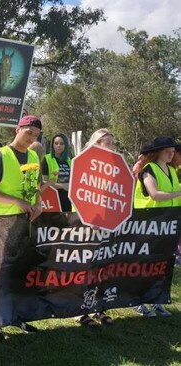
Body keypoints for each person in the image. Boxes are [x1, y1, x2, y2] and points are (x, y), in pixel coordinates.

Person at [0, 115, 43, 341]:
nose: (31, 138)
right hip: (2, 224)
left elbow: (36, 186)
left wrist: (37, 203)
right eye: (28, 133)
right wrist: (17, 202)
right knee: (0, 274)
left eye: (35, 136)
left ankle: (17, 316)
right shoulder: (1, 156)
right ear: (17, 129)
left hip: (25, 225)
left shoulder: (34, 156)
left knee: (20, 272)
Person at [131, 136, 181, 317]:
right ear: (158, 151)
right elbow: (154, 194)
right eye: (168, 150)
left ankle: (157, 301)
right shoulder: (148, 169)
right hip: (148, 224)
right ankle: (137, 301)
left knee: (162, 265)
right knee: (145, 265)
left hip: (168, 225)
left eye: (173, 151)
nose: (171, 153)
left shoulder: (172, 170)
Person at [74, 128, 116, 326]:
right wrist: (91, 219)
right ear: (96, 143)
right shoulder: (84, 163)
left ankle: (99, 308)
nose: (111, 146)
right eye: (107, 142)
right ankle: (79, 311)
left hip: (108, 226)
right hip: (88, 225)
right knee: (84, 269)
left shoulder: (116, 167)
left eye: (112, 142)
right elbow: (78, 195)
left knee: (102, 269)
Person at [41, 134, 73, 211]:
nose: (58, 146)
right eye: (56, 143)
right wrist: (62, 186)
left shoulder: (69, 161)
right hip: (52, 201)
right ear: (52, 145)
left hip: (67, 200)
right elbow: (43, 183)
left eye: (61, 143)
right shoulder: (46, 159)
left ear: (65, 146)